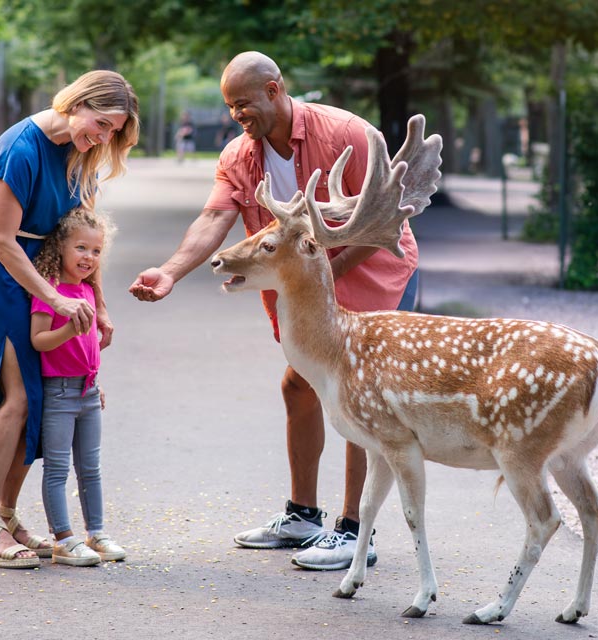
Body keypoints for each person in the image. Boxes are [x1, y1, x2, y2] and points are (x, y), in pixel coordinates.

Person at [128, 51, 420, 571]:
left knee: (357, 398)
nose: (238, 115)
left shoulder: (344, 133)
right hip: (306, 281)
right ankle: (304, 516)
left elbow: (387, 223)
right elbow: (213, 218)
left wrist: (321, 273)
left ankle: (356, 531)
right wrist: (171, 271)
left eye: (243, 103)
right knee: (298, 385)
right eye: (230, 106)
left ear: (275, 89)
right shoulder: (240, 155)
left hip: (374, 270)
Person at [0, 70, 139, 569]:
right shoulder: (21, 148)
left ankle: (6, 516)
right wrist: (58, 301)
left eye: (112, 132)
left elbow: (86, 234)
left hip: (47, 272)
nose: (102, 138)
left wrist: (97, 303)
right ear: (76, 102)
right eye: (100, 124)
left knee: (38, 399)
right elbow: (1, 242)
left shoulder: (81, 154)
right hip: (0, 273)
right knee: (16, 397)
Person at [29, 207, 127, 567]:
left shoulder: (86, 290)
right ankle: (64, 539)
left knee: (91, 467)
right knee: (57, 468)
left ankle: (96, 532)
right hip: (58, 392)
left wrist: (95, 381)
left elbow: (88, 348)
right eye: (81, 248)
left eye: (96, 251)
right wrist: (69, 329)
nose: (88, 258)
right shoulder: (50, 290)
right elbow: (39, 340)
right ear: (61, 247)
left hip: (87, 391)